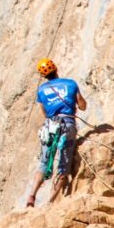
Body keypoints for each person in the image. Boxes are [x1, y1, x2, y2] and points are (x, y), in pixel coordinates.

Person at [26, 58, 87, 207]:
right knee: (64, 165)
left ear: (43, 75)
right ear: (56, 68)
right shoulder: (71, 84)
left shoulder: (41, 90)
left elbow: (45, 113)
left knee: (44, 163)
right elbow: (82, 106)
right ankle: (51, 201)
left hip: (50, 126)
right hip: (68, 124)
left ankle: (32, 196)